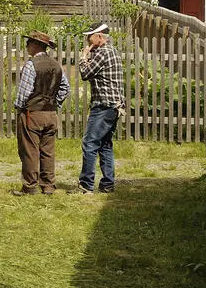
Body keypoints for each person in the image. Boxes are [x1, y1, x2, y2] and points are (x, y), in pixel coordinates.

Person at [12, 30, 70, 195]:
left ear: (37, 45)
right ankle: (48, 186)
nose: (26, 46)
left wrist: (20, 107)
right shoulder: (55, 64)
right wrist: (54, 102)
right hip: (51, 114)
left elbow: (24, 92)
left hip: (33, 114)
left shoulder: (31, 64)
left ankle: (30, 187)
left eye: (29, 43)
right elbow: (65, 88)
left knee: (30, 150)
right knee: (48, 151)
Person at [74, 22, 125, 194]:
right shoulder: (112, 50)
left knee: (90, 143)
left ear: (100, 37)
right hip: (114, 106)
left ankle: (86, 185)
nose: (87, 40)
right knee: (105, 145)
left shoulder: (102, 53)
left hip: (103, 105)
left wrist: (83, 56)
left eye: (90, 36)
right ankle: (107, 184)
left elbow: (85, 74)